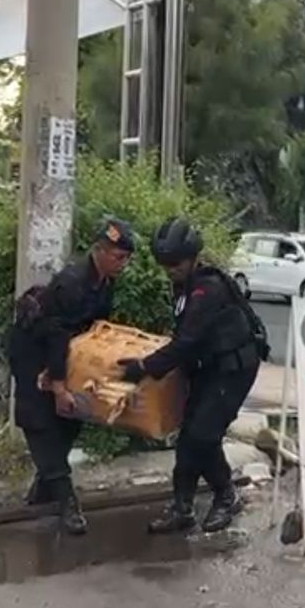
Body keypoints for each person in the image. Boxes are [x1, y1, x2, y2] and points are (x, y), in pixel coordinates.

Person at [118, 217, 267, 535]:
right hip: (209, 368)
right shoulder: (184, 285)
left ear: (193, 256)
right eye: (165, 264)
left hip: (234, 370)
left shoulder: (207, 289)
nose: (170, 269)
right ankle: (182, 507)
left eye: (176, 263)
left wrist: (144, 368)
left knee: (204, 435)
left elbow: (185, 342)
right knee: (190, 439)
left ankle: (227, 496)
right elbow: (185, 340)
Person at [7, 217, 136, 535]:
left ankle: (45, 486)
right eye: (119, 257)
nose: (124, 264)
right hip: (34, 350)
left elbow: (93, 332)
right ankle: (67, 503)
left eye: (127, 258)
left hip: (66, 353)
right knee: (41, 422)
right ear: (100, 251)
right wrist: (59, 386)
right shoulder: (73, 283)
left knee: (70, 418)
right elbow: (55, 336)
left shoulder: (105, 282)